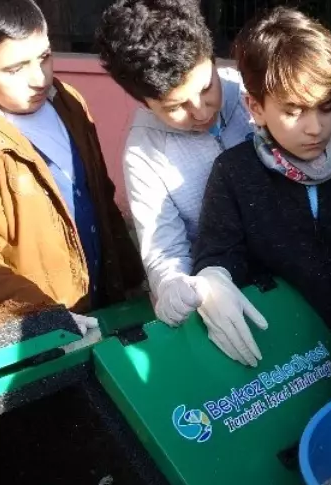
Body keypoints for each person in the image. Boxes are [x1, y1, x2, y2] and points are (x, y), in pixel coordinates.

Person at [0, 0, 144, 323]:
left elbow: (101, 199)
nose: (39, 78)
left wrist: (134, 281)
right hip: (44, 332)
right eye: (15, 69)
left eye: (45, 57)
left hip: (104, 303)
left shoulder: (68, 101)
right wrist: (43, 316)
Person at [190, 8, 331, 366]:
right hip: (286, 362)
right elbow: (218, 253)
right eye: (293, 111)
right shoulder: (233, 173)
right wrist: (213, 280)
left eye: (325, 107)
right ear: (255, 108)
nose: (315, 127)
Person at [96, 0, 252, 328]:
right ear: (144, 102)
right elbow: (163, 246)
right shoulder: (145, 151)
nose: (201, 112)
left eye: (206, 87)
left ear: (211, 57)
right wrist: (173, 286)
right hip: (220, 299)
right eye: (175, 107)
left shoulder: (254, 90)